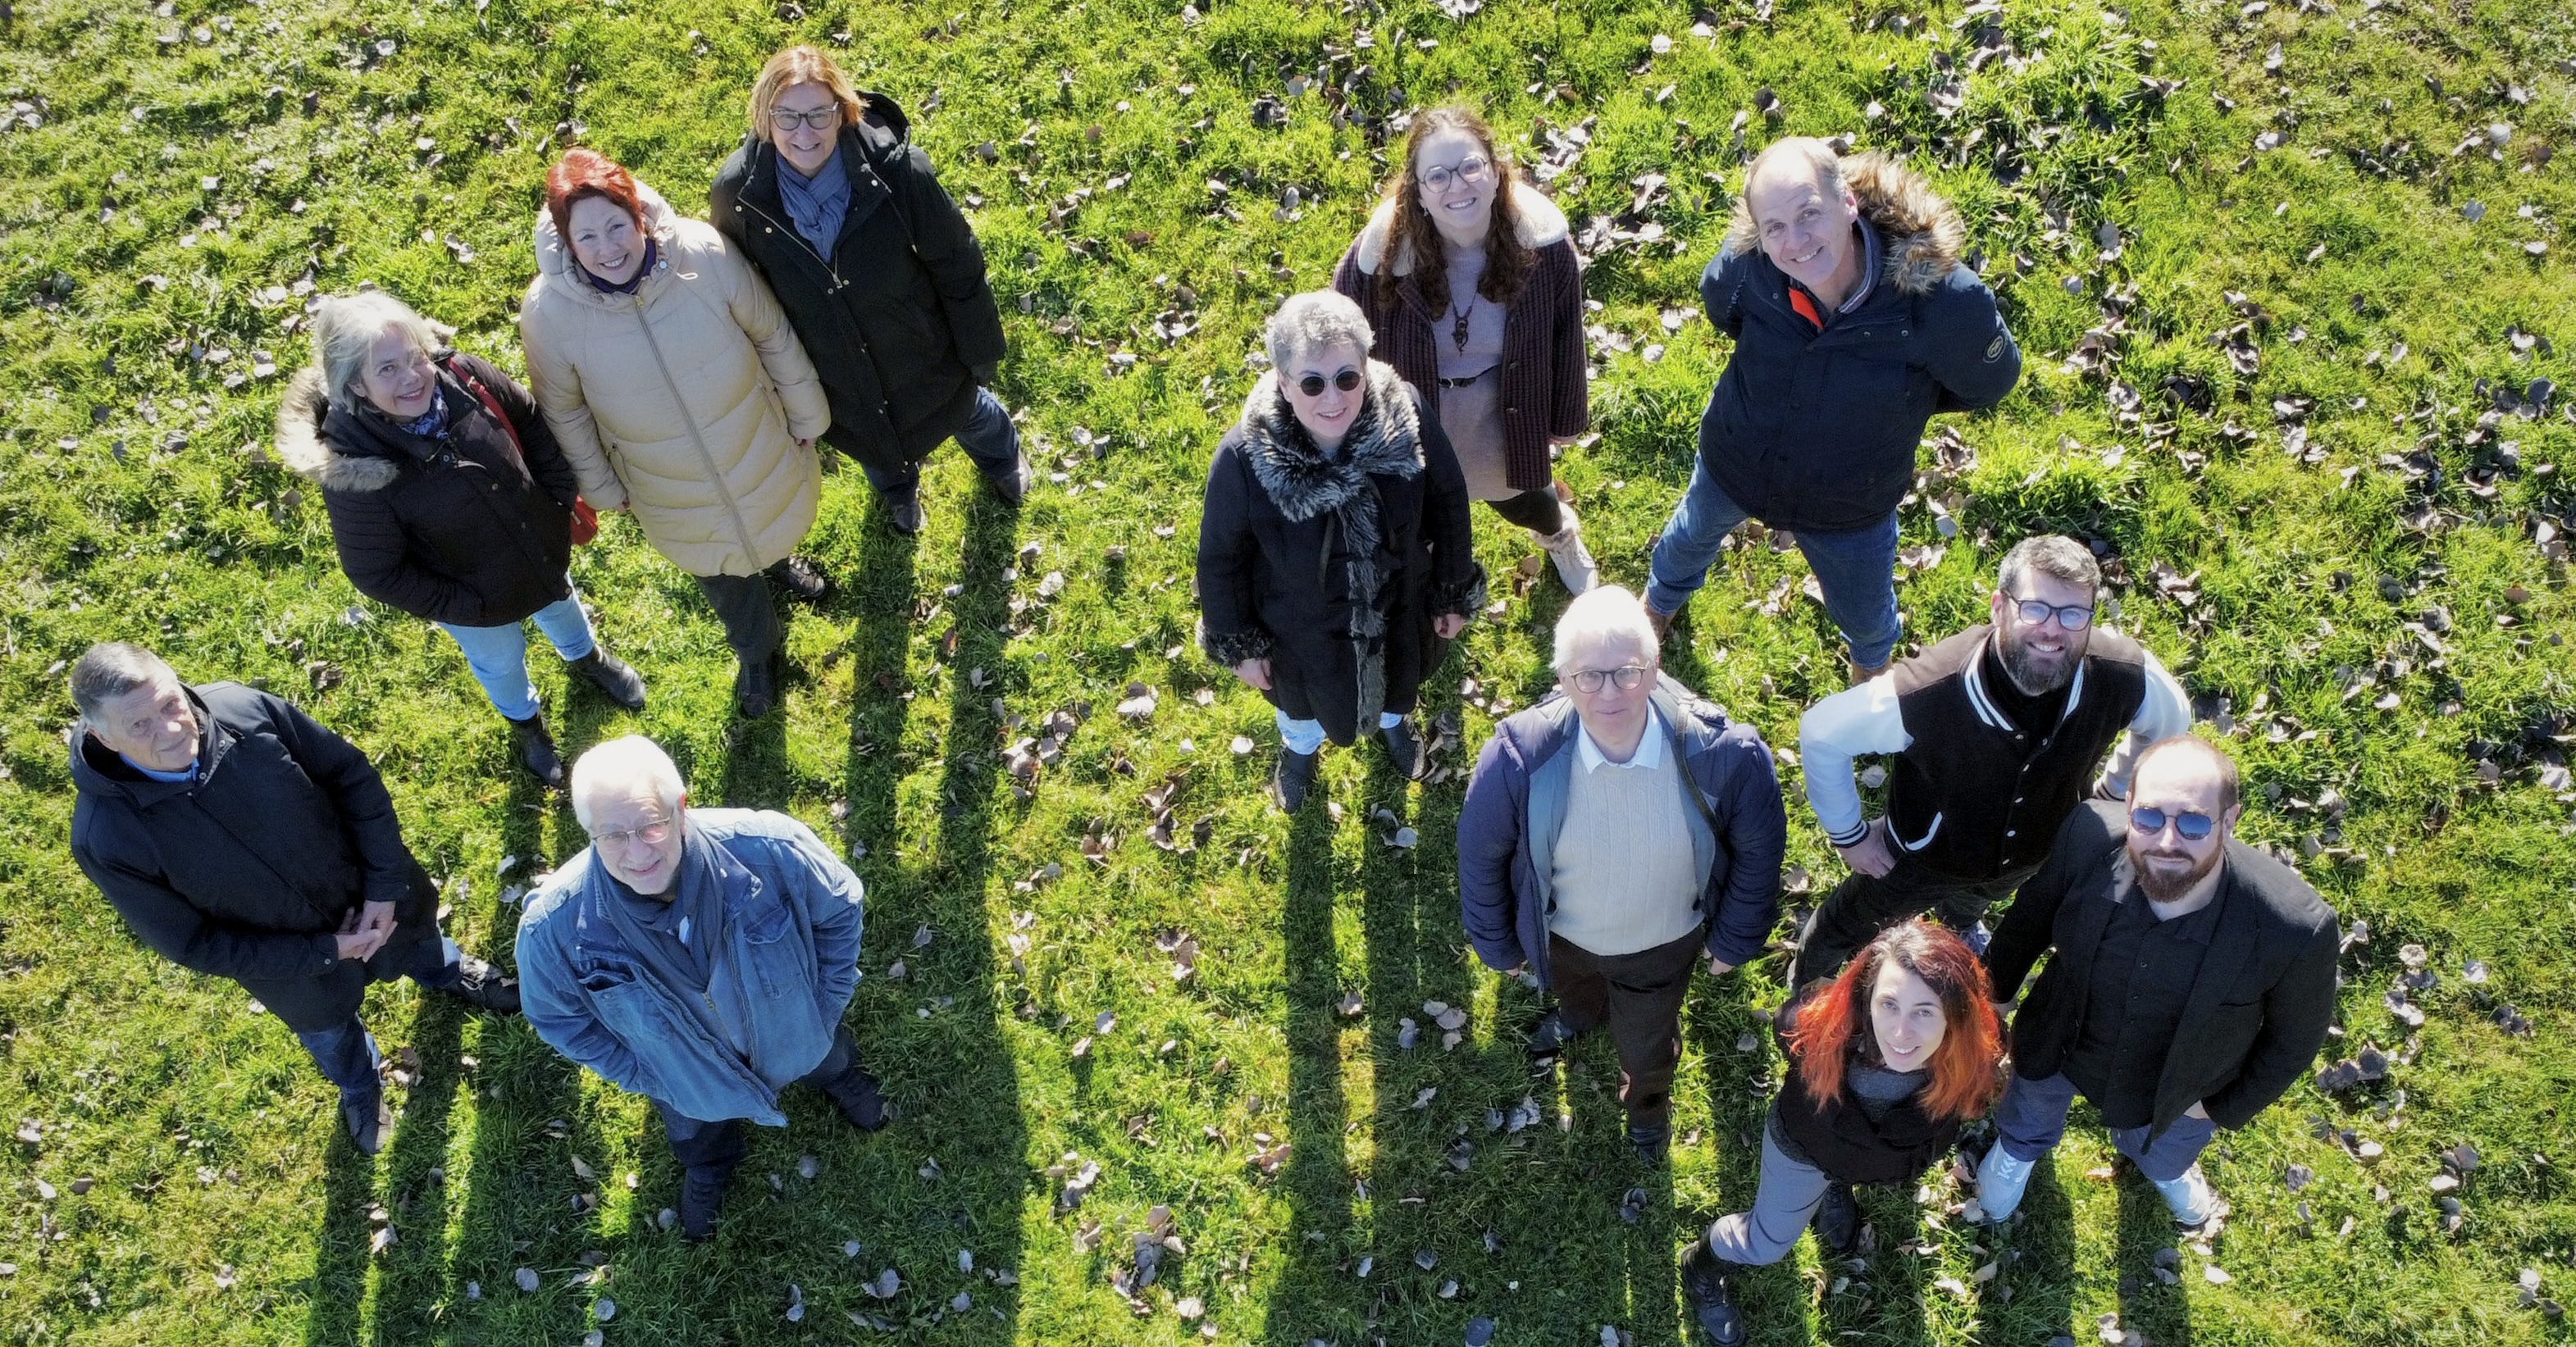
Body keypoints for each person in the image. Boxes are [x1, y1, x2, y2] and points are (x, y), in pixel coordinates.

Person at [65, 643, 520, 1154]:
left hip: (380, 899)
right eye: (140, 726)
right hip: (294, 970)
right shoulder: (106, 838)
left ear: (175, 679)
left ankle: (448, 971)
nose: (173, 730)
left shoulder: (243, 709)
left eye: (171, 704)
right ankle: (359, 1085)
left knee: (422, 943)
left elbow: (351, 777)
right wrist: (326, 951)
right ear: (104, 736)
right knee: (328, 1031)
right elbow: (192, 943)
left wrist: (384, 889)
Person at [1644, 139, 2022, 680]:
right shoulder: (1747, 267)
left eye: (1808, 215)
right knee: (1685, 539)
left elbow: (1988, 381)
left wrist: (1903, 407)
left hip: (1850, 500)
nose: (1795, 243)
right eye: (1774, 226)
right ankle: (1659, 603)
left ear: (1846, 202)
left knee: (1868, 617)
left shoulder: (1944, 304)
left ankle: (1869, 674)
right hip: (1736, 458)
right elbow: (1720, 306)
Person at [1457, 585, 1786, 1162]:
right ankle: (1580, 1014)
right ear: (1562, 678)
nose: (1609, 692)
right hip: (1562, 941)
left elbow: (1759, 852)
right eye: (1589, 675)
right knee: (1576, 991)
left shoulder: (1726, 753)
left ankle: (1646, 1110)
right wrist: (1497, 944)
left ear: (1655, 667)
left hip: (1660, 950)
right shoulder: (1515, 759)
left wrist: (1735, 939)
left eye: (1627, 672)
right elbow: (1480, 857)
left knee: (1647, 1045)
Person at [515, 735, 884, 1242]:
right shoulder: (552, 931)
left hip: (800, 1030)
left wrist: (824, 1009)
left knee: (830, 1057)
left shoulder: (774, 851)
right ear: (589, 834)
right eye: (613, 835)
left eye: (650, 825)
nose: (637, 853)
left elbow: (840, 911)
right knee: (695, 1135)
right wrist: (650, 1076)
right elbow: (558, 1019)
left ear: (680, 809)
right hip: (686, 1084)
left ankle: (841, 1080)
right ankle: (710, 1165)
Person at [276, 289, 645, 789]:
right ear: (355, 387)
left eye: (414, 356)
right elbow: (375, 570)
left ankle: (587, 659)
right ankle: (528, 726)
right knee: (500, 662)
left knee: (562, 603)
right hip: (475, 602)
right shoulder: (356, 468)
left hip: (539, 551)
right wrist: (463, 606)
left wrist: (556, 500)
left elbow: (530, 421)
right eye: (387, 370)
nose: (412, 377)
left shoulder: (464, 376)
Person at [1788, 535, 2191, 990]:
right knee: (1853, 922)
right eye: (2035, 608)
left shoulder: (2121, 675)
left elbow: (2172, 722)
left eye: (2073, 614)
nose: (2053, 631)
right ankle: (1807, 983)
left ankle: (1959, 922)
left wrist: (2114, 792)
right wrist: (1850, 836)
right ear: (2000, 607)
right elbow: (1822, 733)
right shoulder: (1925, 693)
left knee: (1978, 899)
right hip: (1922, 856)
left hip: (2034, 851)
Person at [1973, 735, 2340, 1231]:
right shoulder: (2086, 836)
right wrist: (1991, 1005)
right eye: (2148, 818)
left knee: (2163, 1150)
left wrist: (2214, 1108)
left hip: (2177, 1087)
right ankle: (2019, 1151)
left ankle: (2163, 1169)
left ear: (2228, 822)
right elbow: (2027, 923)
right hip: (2059, 1041)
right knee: (2028, 1114)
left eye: (2191, 822)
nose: (2167, 842)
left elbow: (2293, 1043)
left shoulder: (2294, 928)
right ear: (2128, 807)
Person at [518, 148, 833, 719]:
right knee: (721, 574)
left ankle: (779, 560)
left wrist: (806, 410)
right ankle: (757, 650)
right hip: (666, 484)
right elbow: (565, 414)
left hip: (753, 435)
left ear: (637, 214)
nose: (608, 248)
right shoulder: (547, 314)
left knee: (773, 510)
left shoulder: (703, 254)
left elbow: (771, 333)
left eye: (617, 226)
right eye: (587, 238)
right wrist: (604, 487)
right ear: (567, 242)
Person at [709, 45, 1025, 536]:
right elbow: (744, 296)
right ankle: (899, 495)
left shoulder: (899, 172)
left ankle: (1002, 460)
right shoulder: (739, 194)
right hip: (837, 376)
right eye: (787, 117)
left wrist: (980, 350)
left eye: (818, 114)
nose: (804, 133)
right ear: (764, 118)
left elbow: (957, 262)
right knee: (875, 450)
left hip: (923, 352)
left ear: (843, 112)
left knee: (970, 414)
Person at [1196, 291, 1484, 809]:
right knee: (1300, 712)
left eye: (1347, 378)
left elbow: (1448, 498)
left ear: (1367, 369)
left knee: (1400, 685)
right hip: (1297, 632)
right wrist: (1238, 645)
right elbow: (1221, 560)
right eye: (1312, 383)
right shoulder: (1244, 457)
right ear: (1284, 382)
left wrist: (1452, 592)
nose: (1332, 399)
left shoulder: (1406, 416)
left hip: (1400, 610)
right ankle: (1299, 755)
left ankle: (1396, 727)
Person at [1679, 920, 2004, 1344]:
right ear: (1866, 998)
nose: (1902, 1034)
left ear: (1955, 1013)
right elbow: (1787, 1026)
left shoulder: (1972, 1054)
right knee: (1767, 1243)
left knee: (1849, 1168)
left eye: (1924, 1011)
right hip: (1804, 1148)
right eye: (1889, 1005)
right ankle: (1700, 1265)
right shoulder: (1816, 1028)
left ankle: (1836, 1187)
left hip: (1870, 1158)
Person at [1332, 104, 1595, 594]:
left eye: (1470, 167)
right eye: (1437, 176)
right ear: (1419, 193)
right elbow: (1339, 338)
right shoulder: (1379, 256)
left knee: (1524, 499)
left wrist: (1564, 418)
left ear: (1495, 174)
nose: (1457, 186)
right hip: (1418, 416)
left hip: (1505, 409)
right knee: (1424, 509)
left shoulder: (1544, 248)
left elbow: (1566, 334)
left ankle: (1557, 533)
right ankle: (1436, 584)